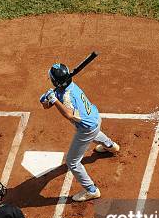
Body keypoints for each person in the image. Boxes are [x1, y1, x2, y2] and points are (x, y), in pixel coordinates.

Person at [39, 63, 120, 202]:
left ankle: (91, 190)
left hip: (86, 128)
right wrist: (46, 101)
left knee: (72, 162)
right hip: (94, 118)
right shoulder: (67, 86)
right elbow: (48, 106)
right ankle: (111, 146)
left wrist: (53, 99)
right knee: (94, 132)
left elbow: (69, 114)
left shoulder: (67, 97)